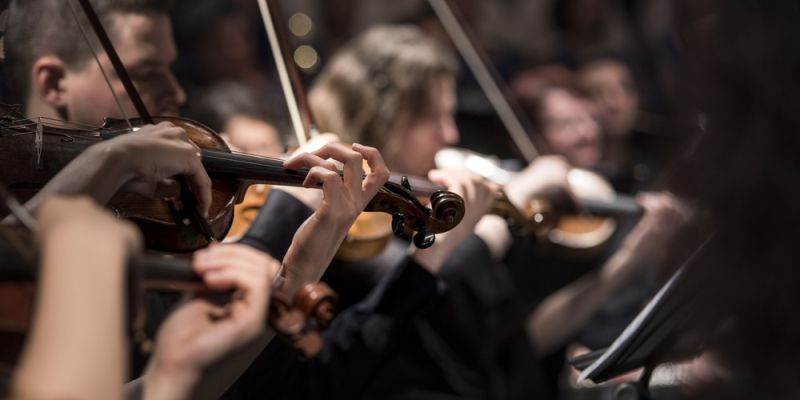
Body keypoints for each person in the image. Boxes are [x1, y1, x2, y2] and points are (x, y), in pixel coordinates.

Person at [307, 25, 691, 399]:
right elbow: (427, 293)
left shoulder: (422, 206)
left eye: (451, 115)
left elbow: (513, 343)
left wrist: (627, 259)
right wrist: (515, 198)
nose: (450, 135)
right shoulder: (348, 224)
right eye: (433, 118)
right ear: (382, 116)